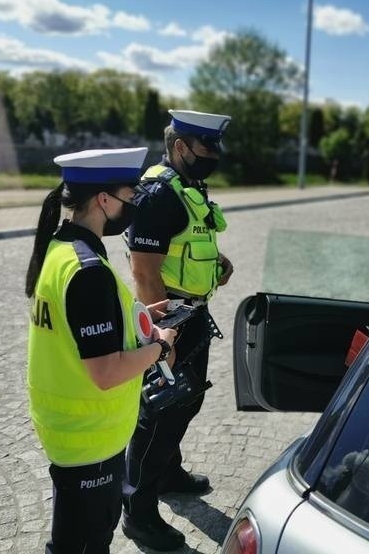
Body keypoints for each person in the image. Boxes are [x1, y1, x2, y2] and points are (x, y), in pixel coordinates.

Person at [26, 147, 179, 554]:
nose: (133, 208)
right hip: (88, 437)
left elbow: (77, 328)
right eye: (130, 197)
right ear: (104, 200)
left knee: (74, 537)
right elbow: (106, 372)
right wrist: (159, 348)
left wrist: (136, 318)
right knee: (85, 543)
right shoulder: (88, 269)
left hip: (70, 431)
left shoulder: (62, 247)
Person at [121, 110, 234, 550]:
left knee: (187, 402)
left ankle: (167, 472)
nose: (215, 156)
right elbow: (145, 273)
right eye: (208, 147)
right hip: (169, 321)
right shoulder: (156, 193)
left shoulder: (188, 187)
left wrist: (217, 263)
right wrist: (159, 341)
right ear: (181, 146)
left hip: (192, 314)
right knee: (159, 414)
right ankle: (138, 513)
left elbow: (190, 240)